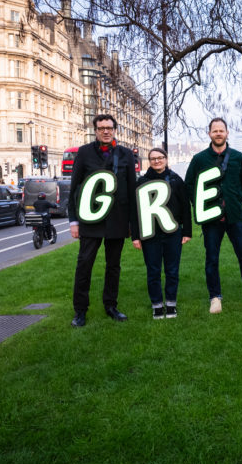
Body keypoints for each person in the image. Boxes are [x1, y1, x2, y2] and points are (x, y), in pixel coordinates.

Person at [185, 117, 242, 313]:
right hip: (211, 218)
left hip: (234, 216)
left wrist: (234, 201)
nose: (218, 134)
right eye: (214, 131)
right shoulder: (199, 159)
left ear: (227, 133)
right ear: (209, 134)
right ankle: (215, 297)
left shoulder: (238, 157)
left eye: (221, 130)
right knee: (212, 258)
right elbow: (189, 184)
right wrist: (201, 205)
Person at [67, 114, 139, 327]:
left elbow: (132, 191)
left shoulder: (126, 154)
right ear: (95, 130)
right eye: (101, 128)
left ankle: (111, 305)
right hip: (91, 220)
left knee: (113, 266)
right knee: (84, 264)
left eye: (109, 127)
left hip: (117, 220)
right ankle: (80, 311)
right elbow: (74, 189)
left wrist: (131, 225)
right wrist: (73, 221)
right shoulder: (84, 153)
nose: (106, 131)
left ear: (115, 130)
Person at [132, 147, 191, 319]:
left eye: (160, 158)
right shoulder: (142, 181)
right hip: (150, 234)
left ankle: (171, 303)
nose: (157, 161)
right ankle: (157, 305)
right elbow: (135, 212)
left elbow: (186, 207)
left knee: (172, 270)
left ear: (166, 159)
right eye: (153, 159)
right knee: (153, 271)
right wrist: (135, 236)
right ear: (149, 161)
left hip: (173, 233)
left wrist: (186, 232)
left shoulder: (176, 180)